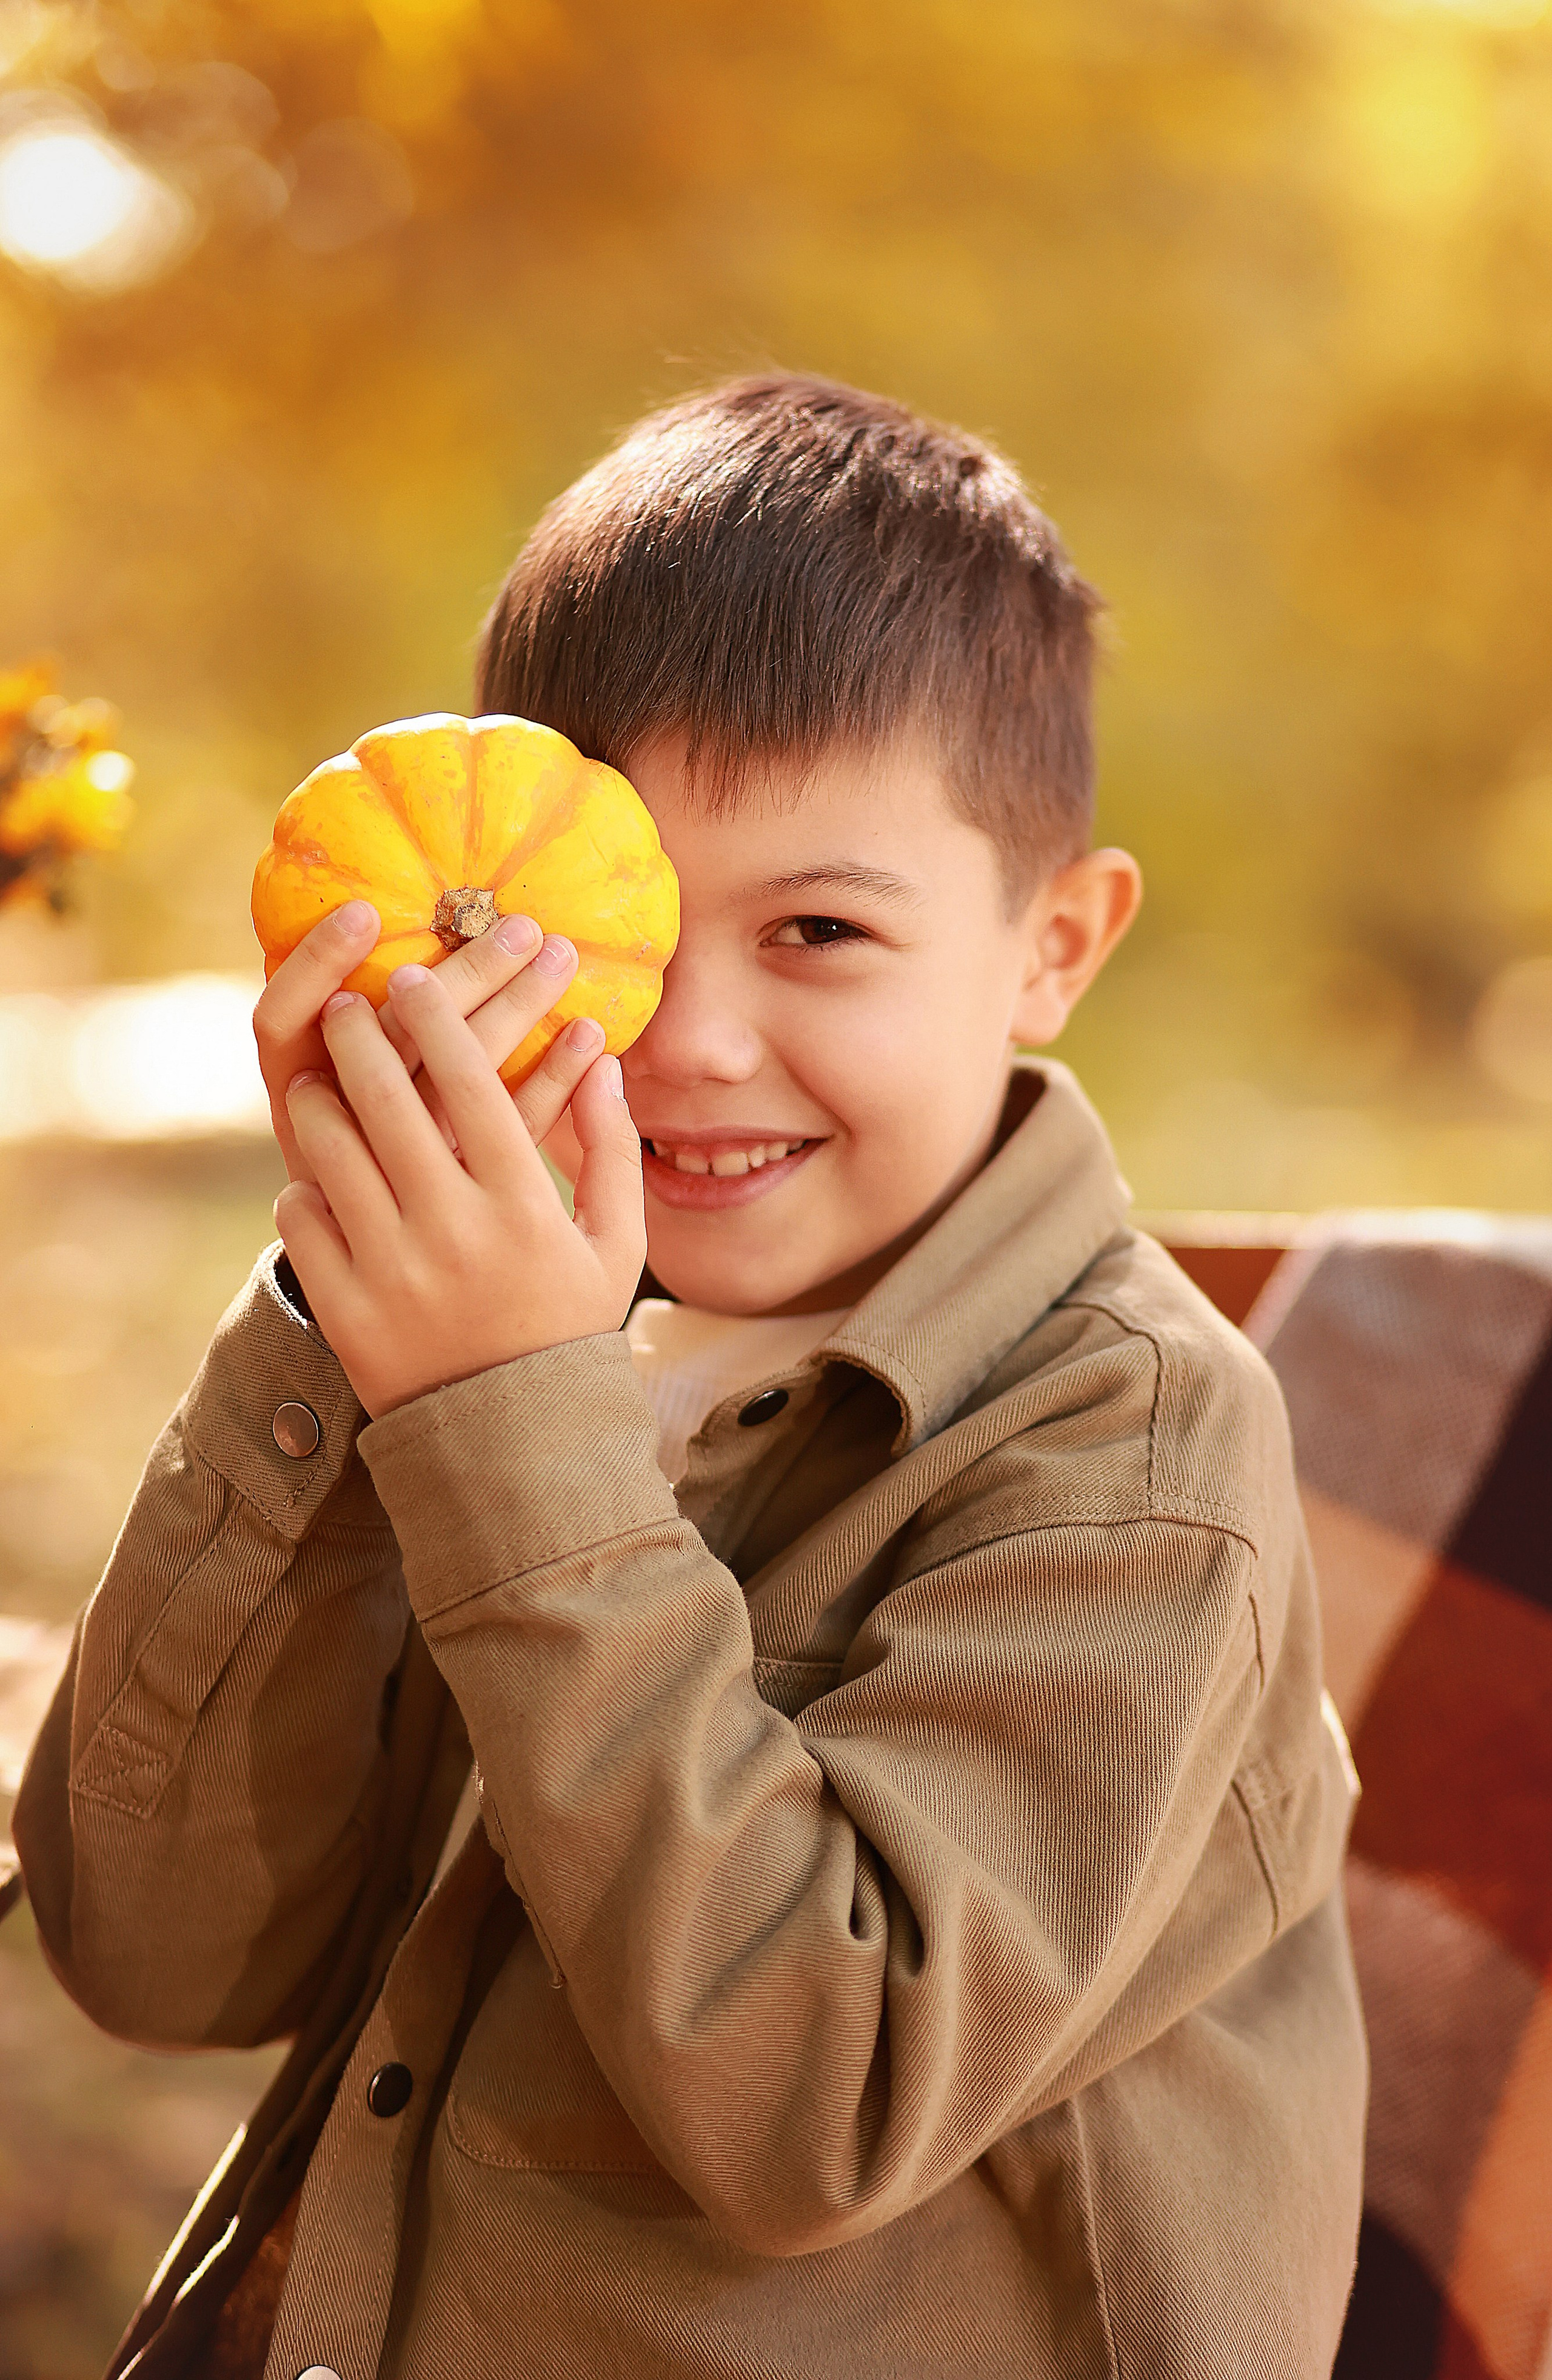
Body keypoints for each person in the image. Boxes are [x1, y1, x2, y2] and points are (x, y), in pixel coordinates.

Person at [15, 373, 1366, 2379]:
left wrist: (510, 1434)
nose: (689, 1045)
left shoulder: (1132, 1456)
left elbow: (821, 2100)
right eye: (616, 931)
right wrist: (337, 1331)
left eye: (819, 930)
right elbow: (159, 1948)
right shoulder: (520, 1334)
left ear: (1052, 945)